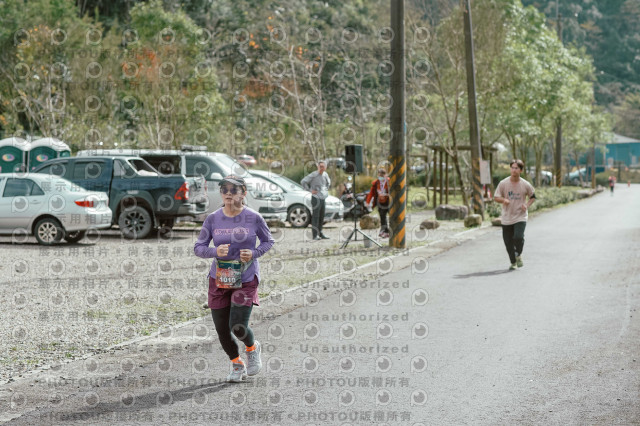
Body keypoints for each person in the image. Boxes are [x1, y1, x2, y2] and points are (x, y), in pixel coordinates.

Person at [194, 175, 274, 382]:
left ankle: (252, 347)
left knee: (237, 325)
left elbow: (268, 241)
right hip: (219, 279)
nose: (228, 194)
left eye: (234, 190)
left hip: (245, 277)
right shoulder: (213, 219)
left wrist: (254, 253)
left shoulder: (254, 217)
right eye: (224, 190)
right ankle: (237, 364)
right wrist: (215, 251)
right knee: (222, 329)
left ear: (243, 192)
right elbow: (199, 247)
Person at [494, 159, 536, 270]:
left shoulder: (525, 184)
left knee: (518, 237)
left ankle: (518, 253)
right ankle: (513, 262)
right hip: (507, 217)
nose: (513, 170)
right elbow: (496, 197)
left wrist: (526, 205)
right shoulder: (503, 183)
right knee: (508, 242)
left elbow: (532, 197)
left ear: (521, 170)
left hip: (520, 216)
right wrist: (503, 200)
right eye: (512, 168)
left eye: (516, 168)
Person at [301, 160, 331, 240]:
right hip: (315, 198)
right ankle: (314, 235)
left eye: (323, 166)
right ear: (318, 167)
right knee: (315, 216)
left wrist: (326, 190)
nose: (321, 168)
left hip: (322, 198)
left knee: (321, 216)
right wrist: (310, 190)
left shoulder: (325, 174)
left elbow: (328, 183)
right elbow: (303, 181)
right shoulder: (314, 174)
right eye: (320, 166)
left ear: (325, 167)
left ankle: (320, 233)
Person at [365, 168, 391, 238]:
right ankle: (385, 231)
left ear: (385, 175)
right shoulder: (376, 183)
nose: (380, 177)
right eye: (379, 175)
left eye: (382, 176)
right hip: (380, 202)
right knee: (382, 217)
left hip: (388, 202)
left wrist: (387, 195)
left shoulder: (389, 182)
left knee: (392, 216)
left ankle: (393, 230)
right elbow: (371, 193)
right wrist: (368, 202)